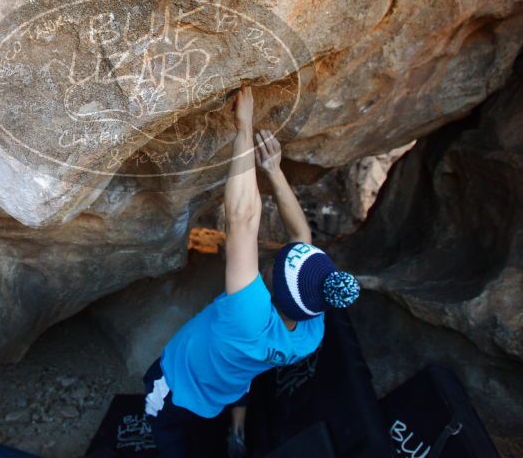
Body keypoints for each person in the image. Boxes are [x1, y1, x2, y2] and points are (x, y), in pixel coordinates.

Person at [142, 85, 361, 456]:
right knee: (235, 389)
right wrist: (273, 170)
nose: (272, 259)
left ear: (272, 290)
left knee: (167, 433)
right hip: (230, 384)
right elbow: (301, 235)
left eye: (277, 265)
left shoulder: (248, 315)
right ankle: (237, 433)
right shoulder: (310, 329)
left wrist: (242, 129)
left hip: (181, 388)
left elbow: (241, 219)